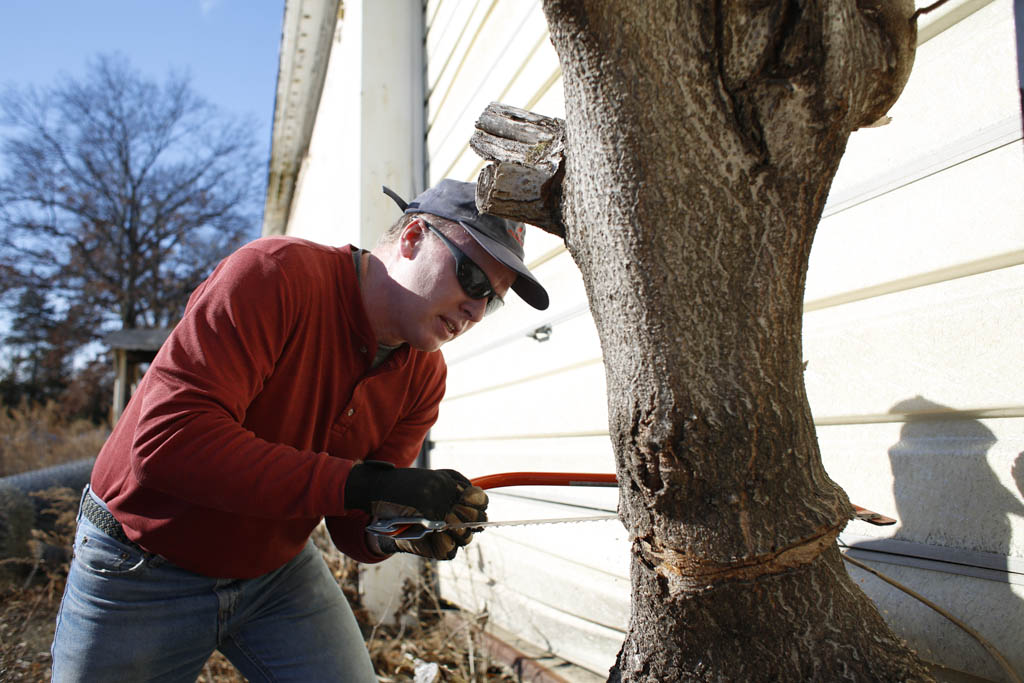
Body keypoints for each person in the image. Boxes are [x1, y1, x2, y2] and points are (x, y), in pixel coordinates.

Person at [50, 178, 550, 682]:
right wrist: (364, 483)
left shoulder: (424, 377)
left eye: (494, 300)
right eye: (473, 279)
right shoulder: (274, 276)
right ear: (413, 236)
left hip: (274, 573)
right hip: (142, 559)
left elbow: (353, 528)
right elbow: (168, 444)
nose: (477, 310)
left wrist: (401, 530)